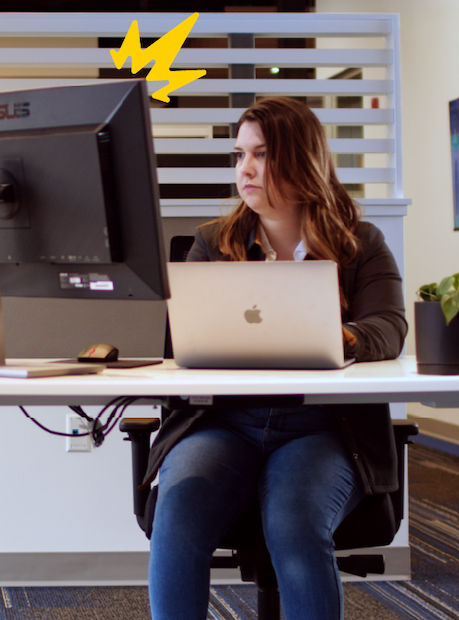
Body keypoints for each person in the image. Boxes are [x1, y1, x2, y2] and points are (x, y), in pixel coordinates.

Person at [143, 97, 406, 620]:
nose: (245, 169)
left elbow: (389, 329)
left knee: (295, 523)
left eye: (260, 154)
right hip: (225, 423)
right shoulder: (212, 245)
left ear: (300, 158)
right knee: (178, 516)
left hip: (323, 427)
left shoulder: (361, 244)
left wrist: (336, 337)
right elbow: (185, 345)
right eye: (239, 155)